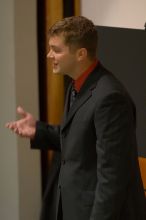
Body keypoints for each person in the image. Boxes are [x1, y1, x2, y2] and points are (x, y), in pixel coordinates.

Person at [6, 16, 146, 220]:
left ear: (81, 54)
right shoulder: (76, 84)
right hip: (75, 206)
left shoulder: (111, 98)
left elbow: (113, 177)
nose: (48, 54)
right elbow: (79, 139)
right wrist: (39, 130)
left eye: (56, 49)